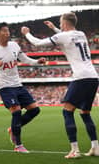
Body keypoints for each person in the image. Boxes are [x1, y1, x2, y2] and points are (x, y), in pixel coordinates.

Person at [21, 12, 99, 158]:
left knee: (67, 111)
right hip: (93, 77)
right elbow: (68, 37)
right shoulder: (81, 34)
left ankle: (74, 150)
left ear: (64, 23)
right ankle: (95, 147)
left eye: (60, 22)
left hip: (80, 77)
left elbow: (37, 43)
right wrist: (55, 29)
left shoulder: (64, 36)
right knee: (85, 113)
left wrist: (27, 33)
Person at [0, 22, 46, 153]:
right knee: (16, 111)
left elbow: (24, 59)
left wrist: (36, 61)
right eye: (4, 31)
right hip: (5, 86)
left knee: (35, 110)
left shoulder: (14, 45)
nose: (7, 33)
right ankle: (18, 145)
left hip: (17, 84)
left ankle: (13, 128)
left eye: (8, 31)